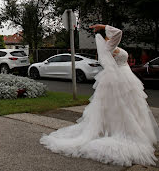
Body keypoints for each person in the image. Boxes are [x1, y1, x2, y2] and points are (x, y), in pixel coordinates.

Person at [40, 24, 159, 166]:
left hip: (124, 79)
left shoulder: (111, 46)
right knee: (120, 108)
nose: (110, 34)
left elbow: (117, 36)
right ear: (106, 37)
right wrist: (102, 26)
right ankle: (119, 131)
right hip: (120, 79)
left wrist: (102, 28)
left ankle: (131, 131)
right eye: (108, 33)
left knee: (129, 107)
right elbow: (118, 32)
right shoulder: (109, 46)